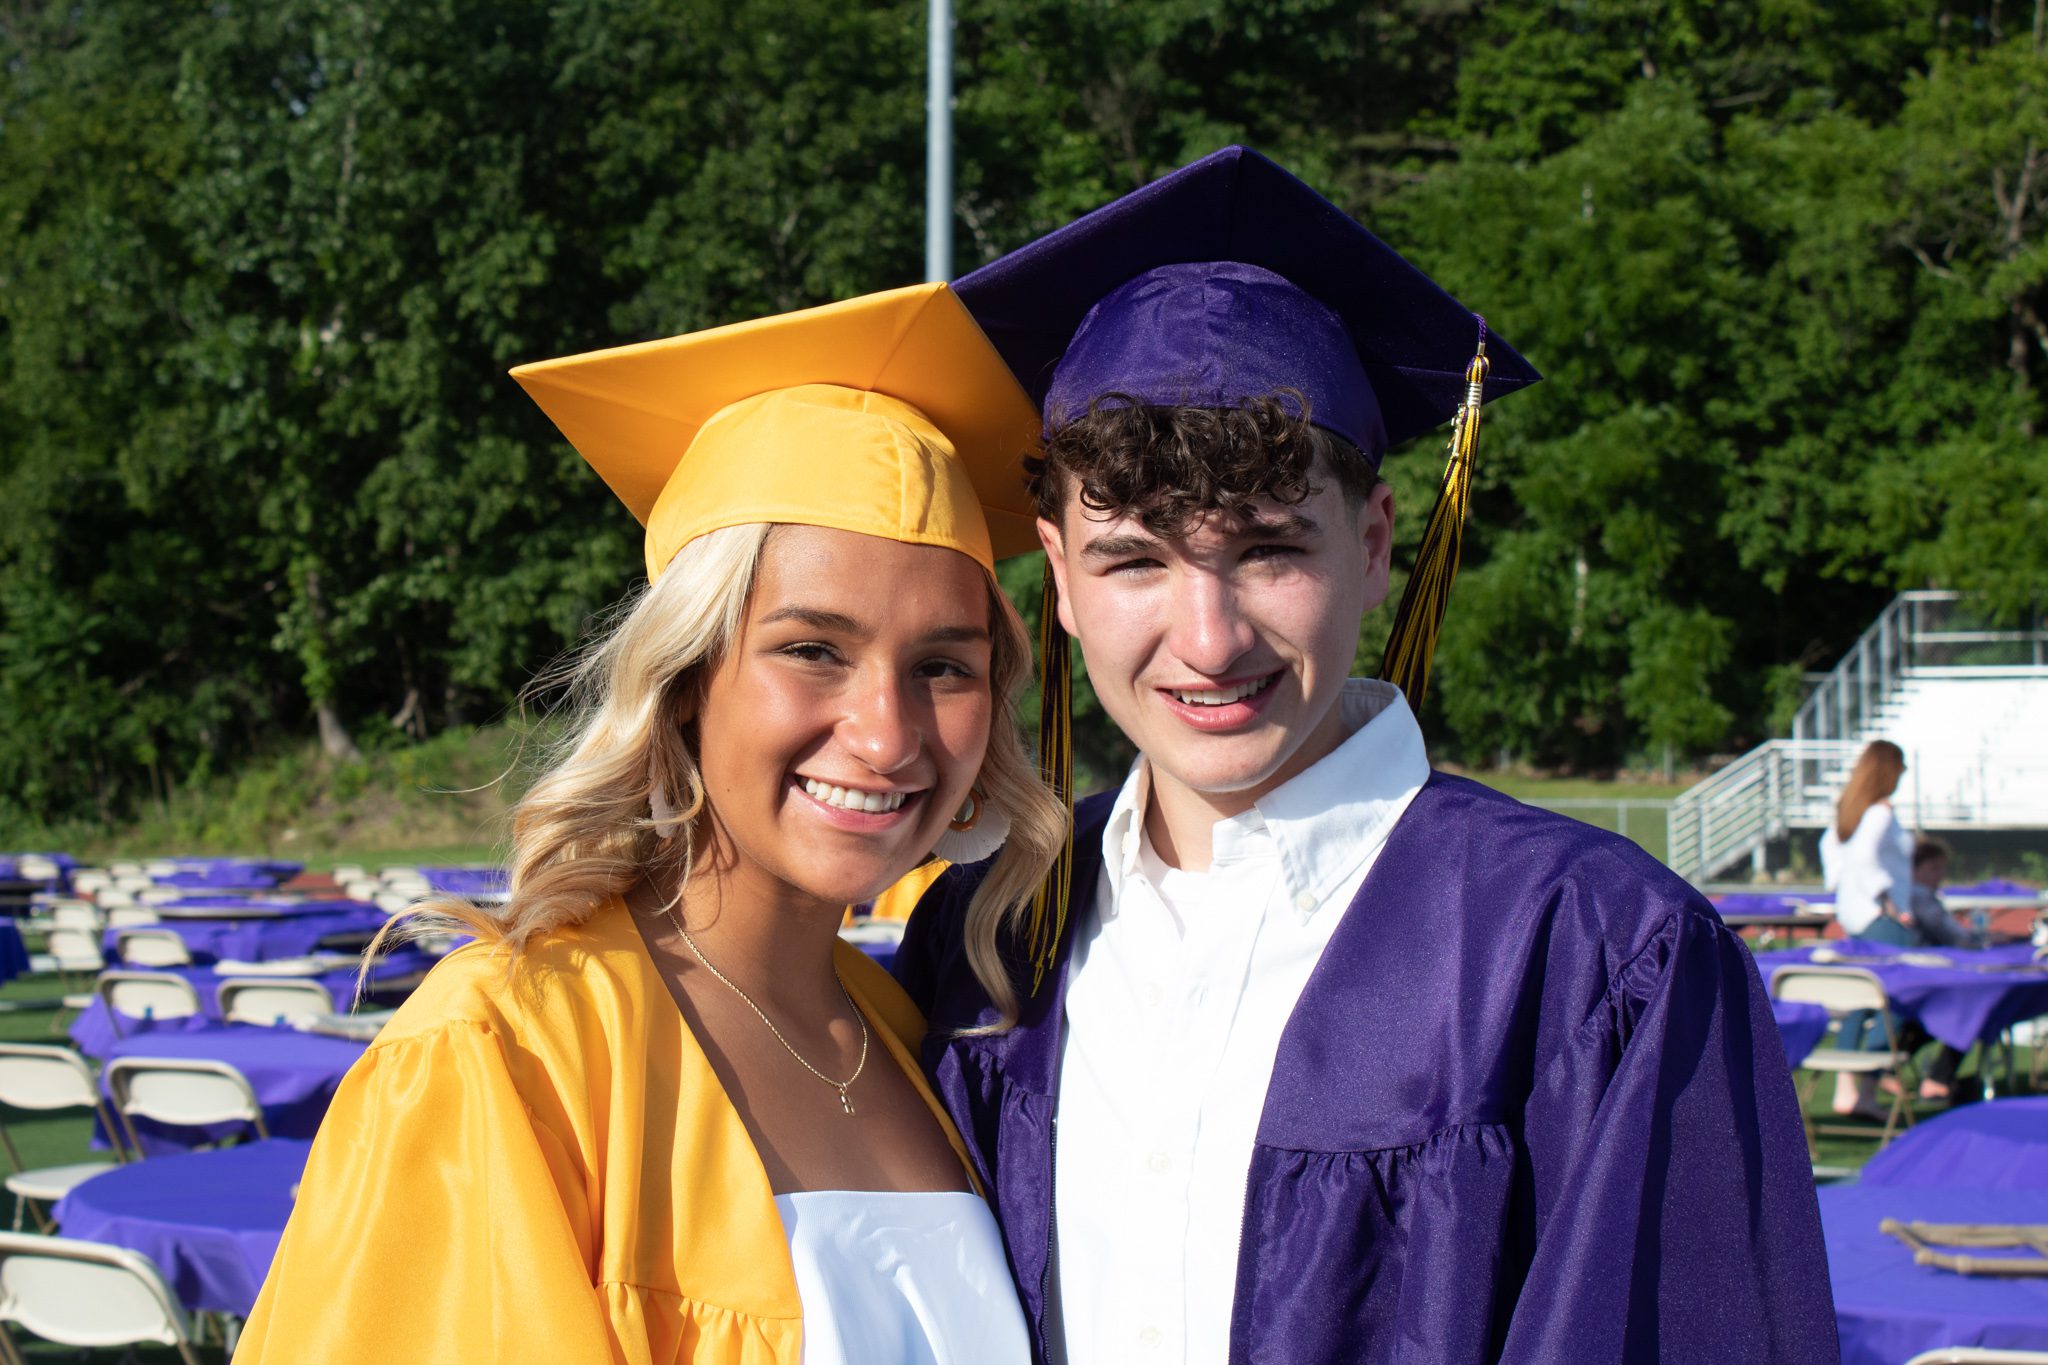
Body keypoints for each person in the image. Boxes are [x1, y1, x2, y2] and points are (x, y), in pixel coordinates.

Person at [894, 147, 1835, 1363]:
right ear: (1059, 576)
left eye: (1271, 550)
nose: (1207, 636)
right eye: (1135, 558)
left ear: (1378, 542)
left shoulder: (1591, 958)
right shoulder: (988, 934)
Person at [236, 284, 1064, 1363]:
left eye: (943, 666)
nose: (886, 734)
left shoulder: (920, 1034)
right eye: (812, 650)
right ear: (683, 680)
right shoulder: (509, 1049)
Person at [1817, 739, 1918, 1115]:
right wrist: (1887, 900)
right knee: (1897, 1001)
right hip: (1880, 919)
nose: (1904, 773)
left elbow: (1832, 848)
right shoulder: (1879, 812)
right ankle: (1867, 1089)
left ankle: (1846, 1088)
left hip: (1856, 915)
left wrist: (1839, 886)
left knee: (1857, 1002)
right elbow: (1864, 856)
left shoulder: (1853, 809)